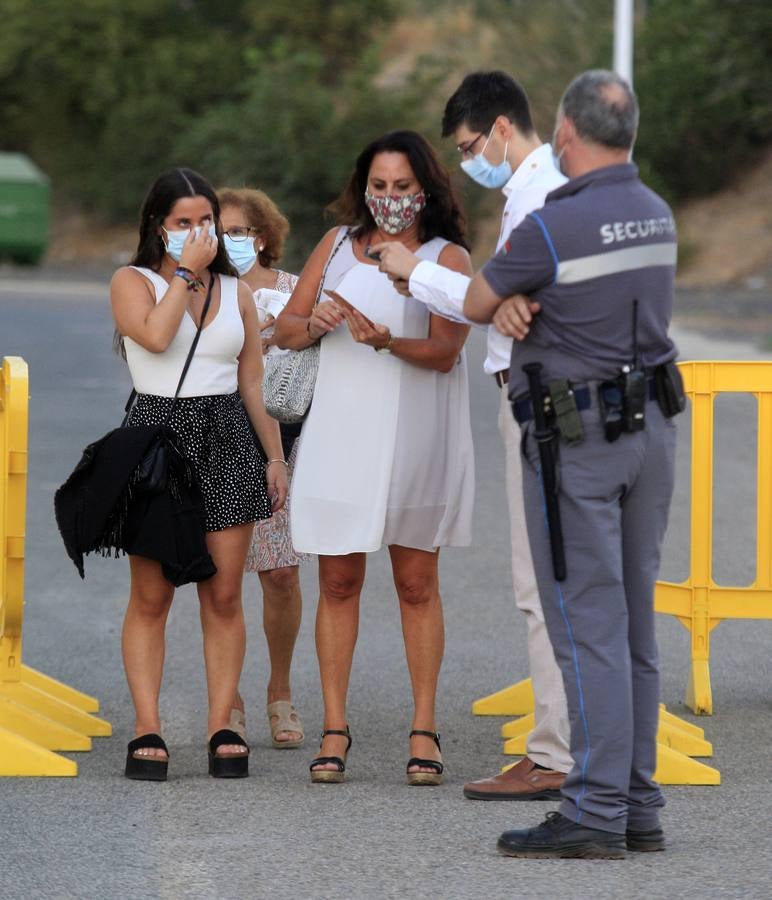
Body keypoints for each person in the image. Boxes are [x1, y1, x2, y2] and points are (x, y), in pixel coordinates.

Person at [464, 70, 680, 858]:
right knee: (632, 628)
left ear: (564, 136)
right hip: (650, 430)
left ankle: (593, 810)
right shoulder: (656, 213)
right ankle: (638, 805)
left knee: (584, 624)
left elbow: (481, 299)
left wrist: (517, 300)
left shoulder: (557, 226)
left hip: (578, 440)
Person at [374, 71, 572, 799]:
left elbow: (489, 300)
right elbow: (503, 299)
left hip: (540, 398)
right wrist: (499, 302)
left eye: (468, 146)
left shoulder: (541, 193)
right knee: (549, 584)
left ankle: (556, 755)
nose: (467, 162)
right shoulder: (530, 192)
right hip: (526, 393)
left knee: (544, 586)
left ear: (499, 129)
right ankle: (554, 746)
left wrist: (413, 272)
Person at [273, 130, 474, 785]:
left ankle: (424, 729)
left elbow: (447, 352)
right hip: (341, 431)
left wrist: (389, 342)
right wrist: (321, 323)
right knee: (338, 582)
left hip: (417, 434)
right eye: (379, 187)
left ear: (426, 190)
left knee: (416, 584)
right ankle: (334, 727)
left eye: (403, 187)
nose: (390, 198)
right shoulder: (335, 247)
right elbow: (286, 329)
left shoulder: (448, 259)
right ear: (364, 188)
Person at [111, 168, 288, 780]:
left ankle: (221, 724)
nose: (197, 232)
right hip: (156, 436)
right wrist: (184, 274)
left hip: (226, 436)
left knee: (222, 593)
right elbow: (157, 339)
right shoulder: (131, 282)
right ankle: (146, 726)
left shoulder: (236, 292)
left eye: (205, 222)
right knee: (153, 596)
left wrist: (274, 456)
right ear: (157, 225)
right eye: (183, 222)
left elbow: (253, 382)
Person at [218, 187, 305, 749]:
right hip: (221, 439)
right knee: (220, 580)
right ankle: (230, 698)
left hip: (287, 440)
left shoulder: (296, 290)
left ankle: (280, 691)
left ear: (264, 236)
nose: (230, 243)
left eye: (240, 231)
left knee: (280, 574)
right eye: (219, 231)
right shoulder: (205, 292)